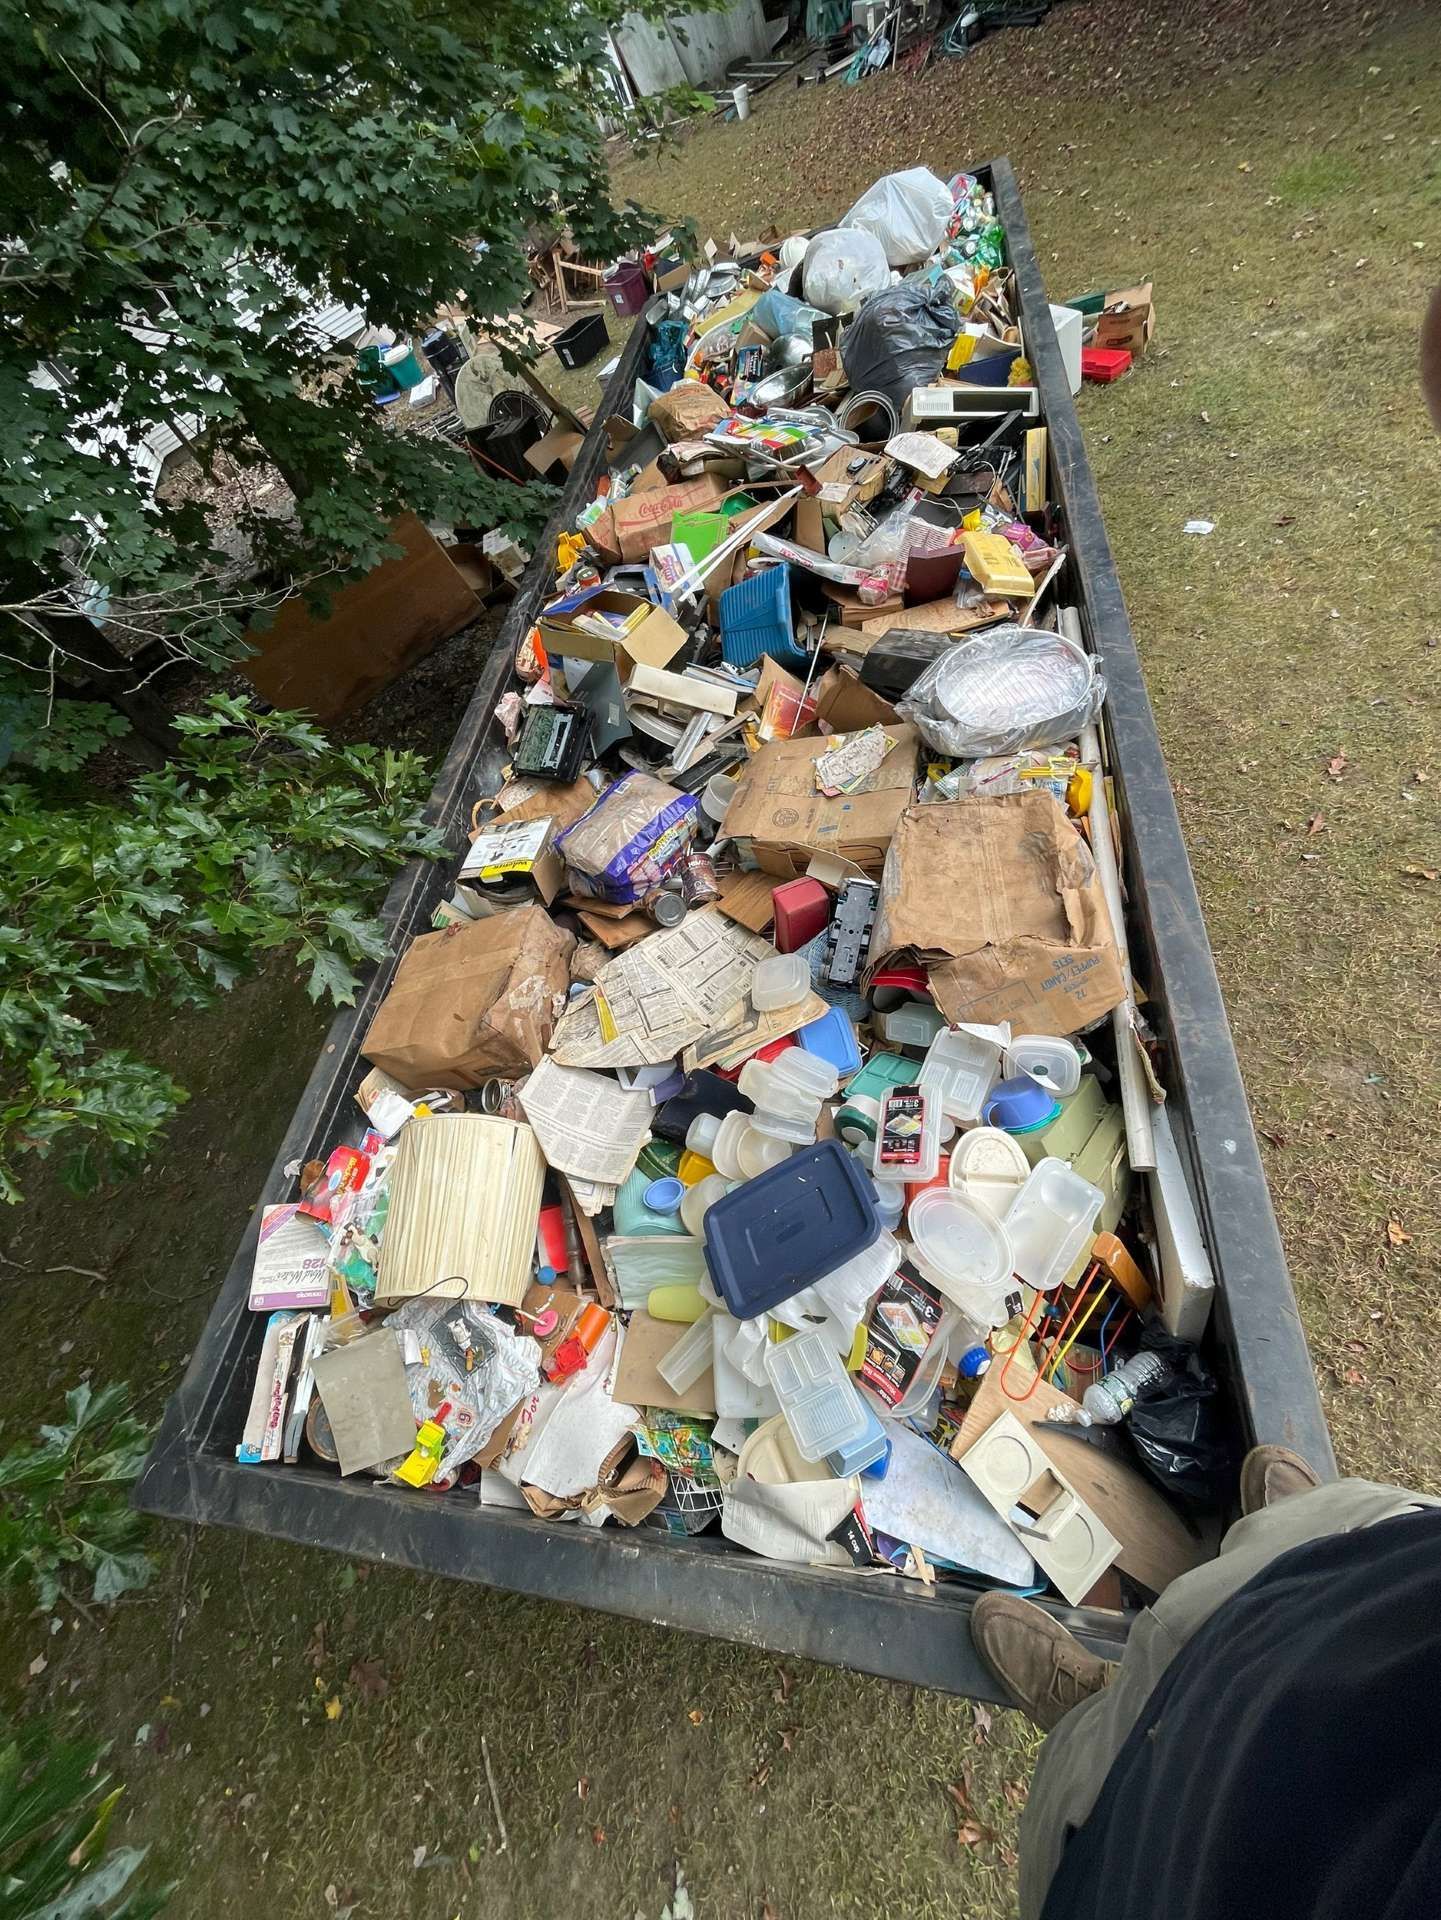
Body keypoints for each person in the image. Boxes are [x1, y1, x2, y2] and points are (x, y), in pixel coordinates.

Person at [970, 1447, 1441, 1920]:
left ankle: (1097, 1716)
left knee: (1117, 1782)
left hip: (1214, 1844)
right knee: (1322, 1532)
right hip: (1398, 1580)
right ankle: (1298, 1542)